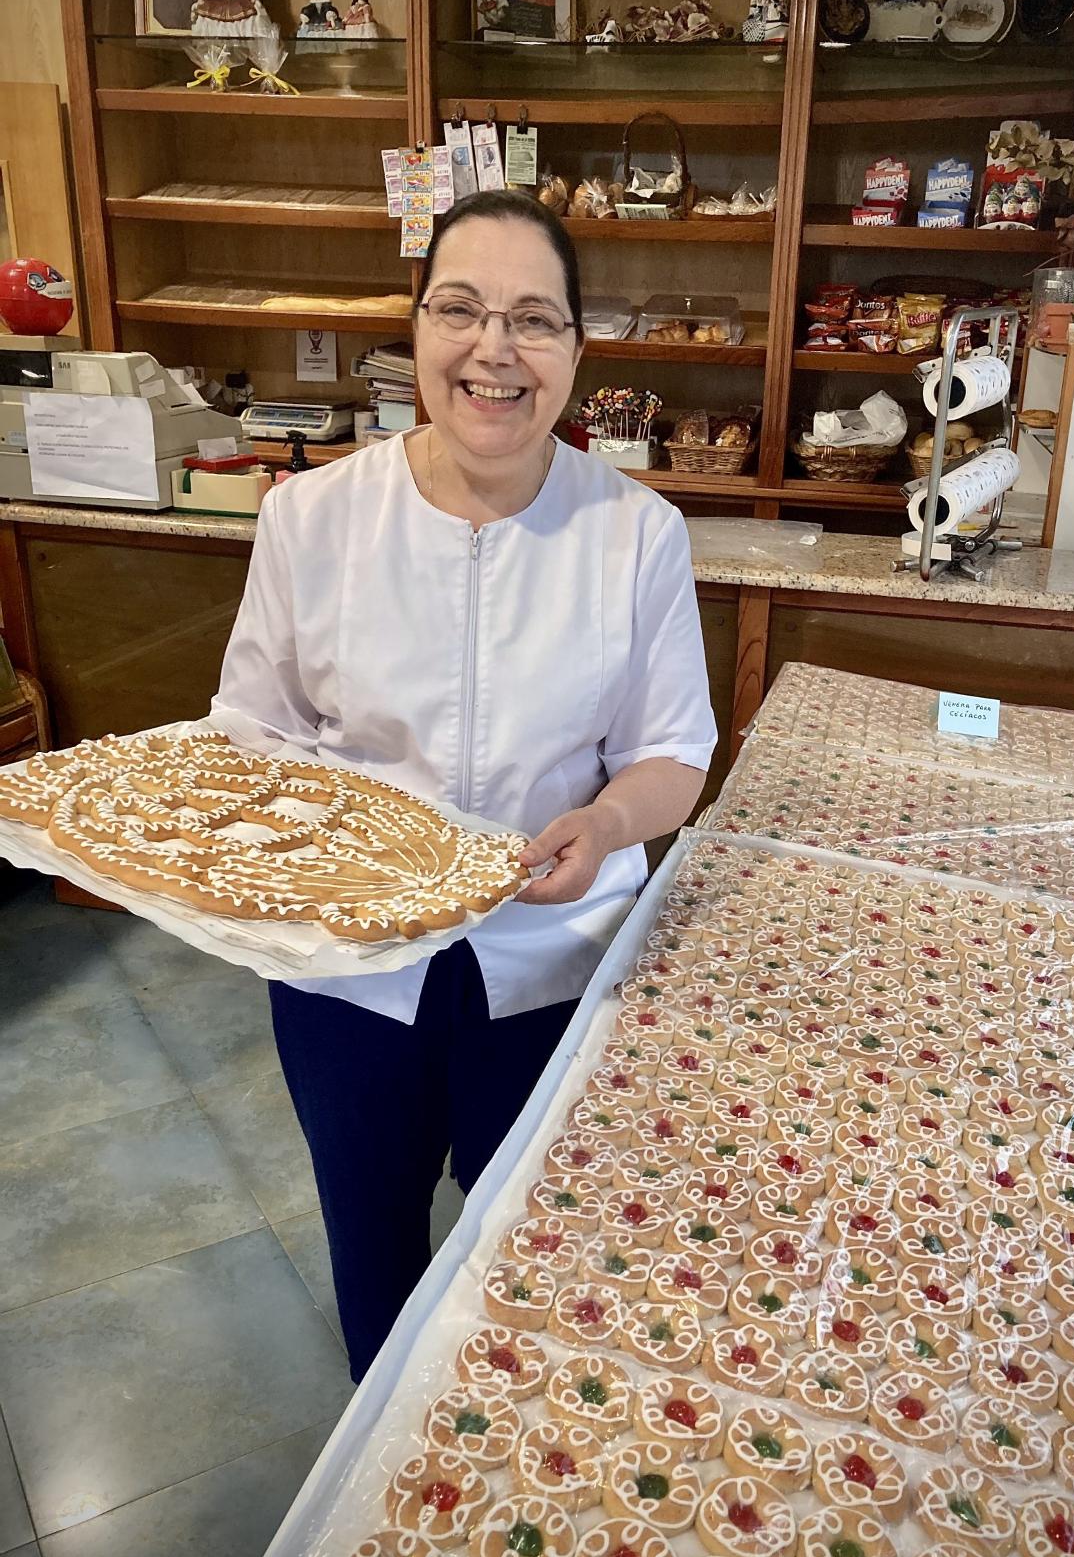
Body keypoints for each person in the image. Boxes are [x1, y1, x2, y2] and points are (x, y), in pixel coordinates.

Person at [211, 190, 717, 1381]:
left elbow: (675, 755)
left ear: (578, 353)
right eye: (461, 310)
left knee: (535, 1259)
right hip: (348, 973)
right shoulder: (312, 516)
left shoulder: (638, 532)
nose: (495, 348)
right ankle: (387, 1498)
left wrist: (604, 819)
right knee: (374, 1249)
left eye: (534, 319)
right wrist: (321, 845)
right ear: (418, 331)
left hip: (555, 967)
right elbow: (251, 730)